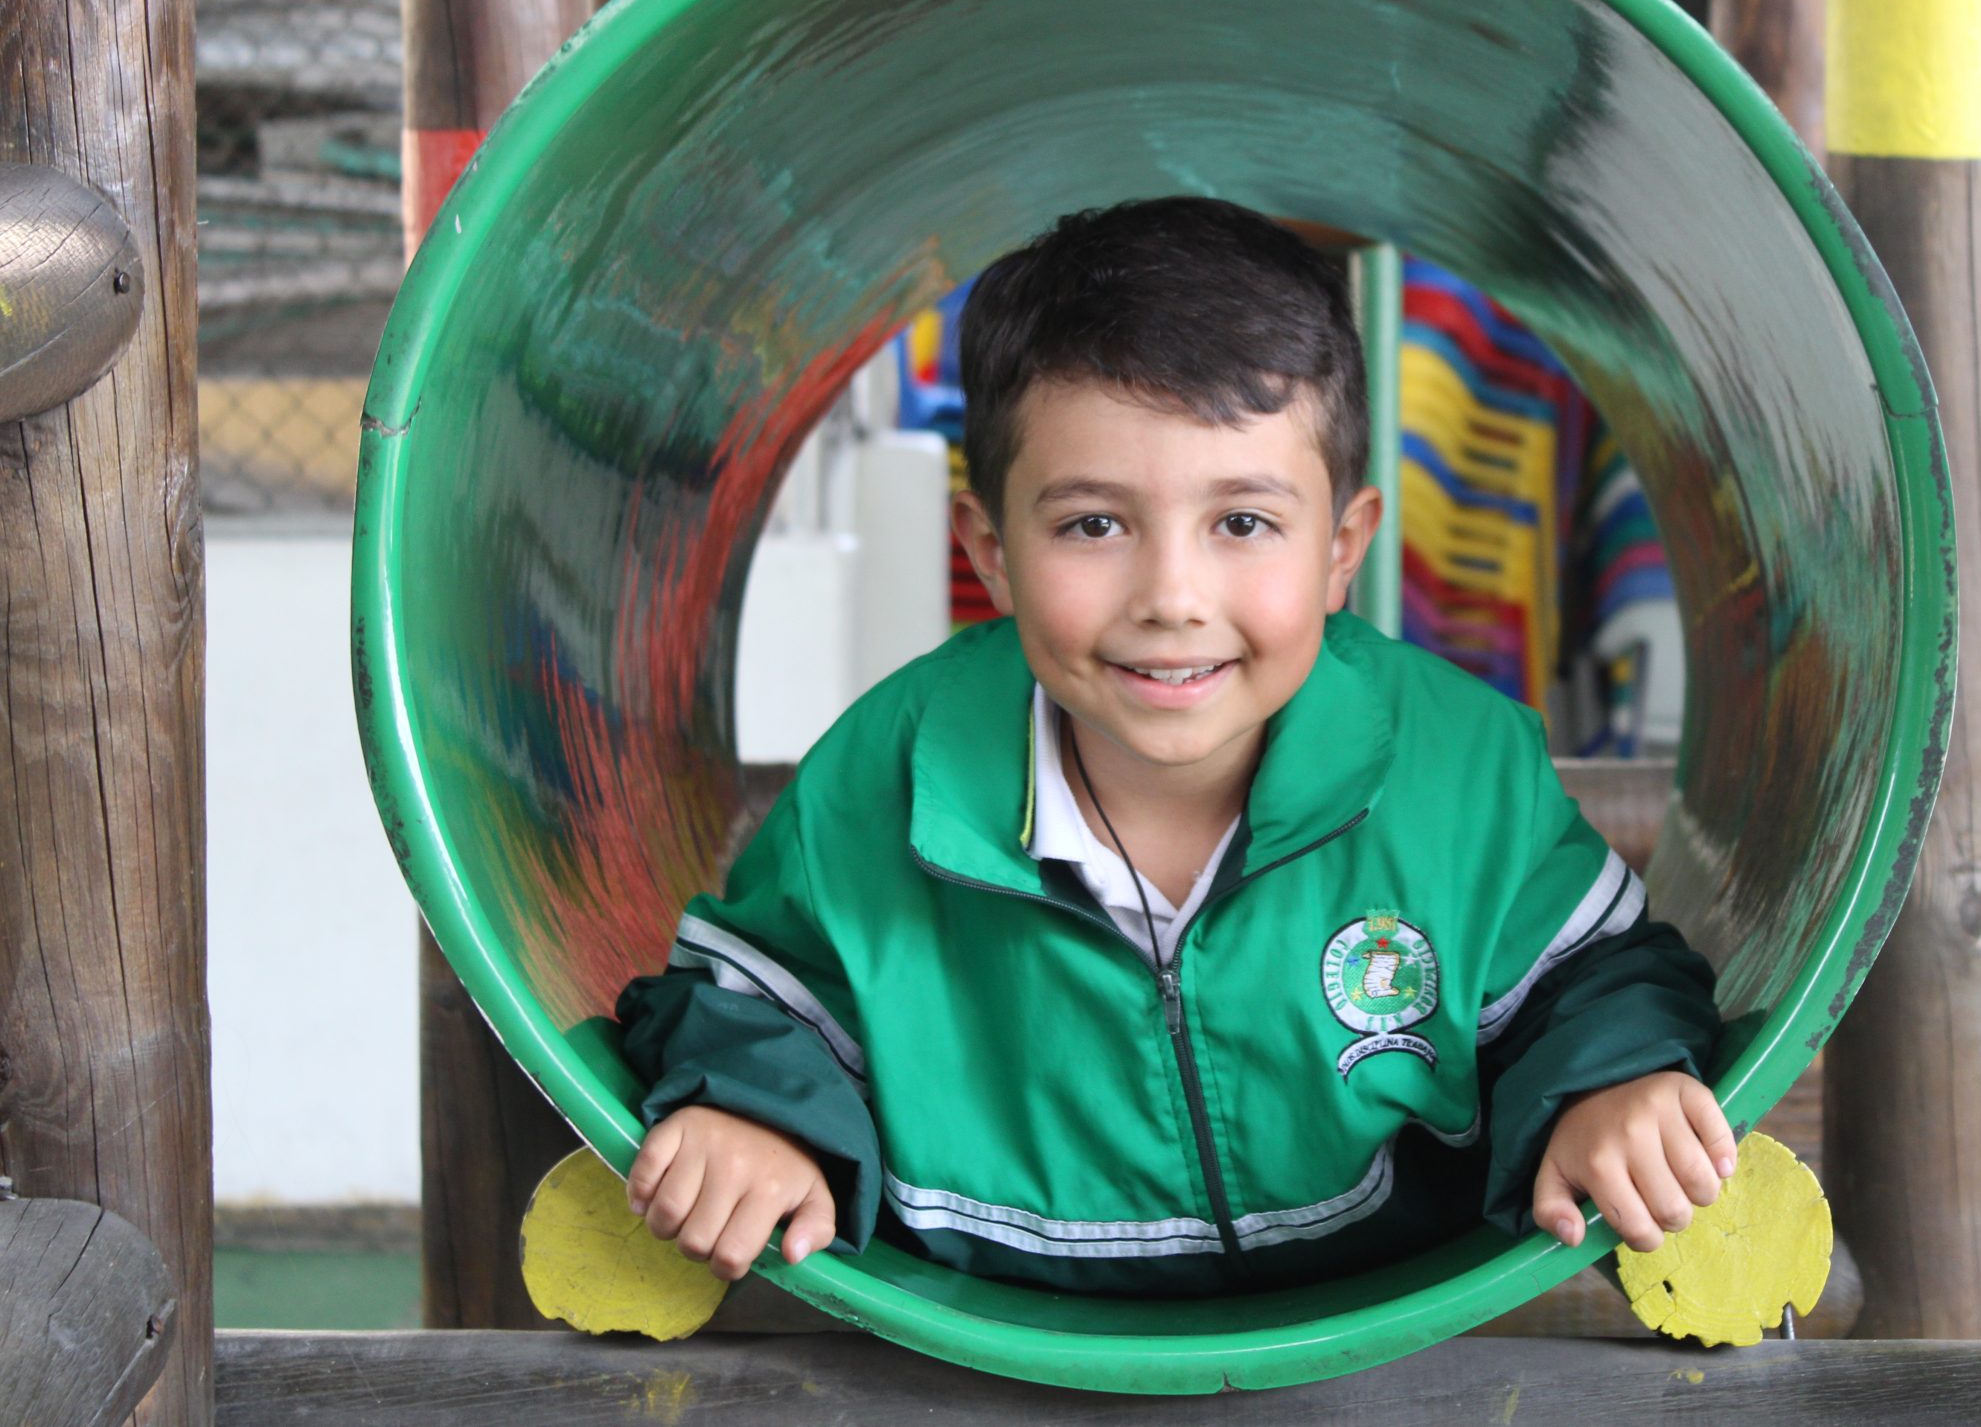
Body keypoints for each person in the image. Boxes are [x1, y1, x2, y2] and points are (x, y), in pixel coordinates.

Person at [615, 196, 1732, 1293]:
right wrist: (755, 1117)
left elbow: (1589, 983)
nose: (1172, 596)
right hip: (981, 1355)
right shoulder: (886, 776)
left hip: (1382, 1339)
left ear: (1342, 547)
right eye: (1092, 525)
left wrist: (1607, 1087)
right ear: (991, 549)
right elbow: (757, 1005)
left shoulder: (1458, 766)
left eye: (1242, 523)